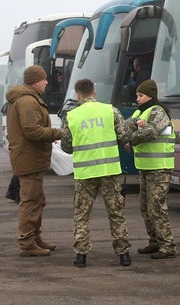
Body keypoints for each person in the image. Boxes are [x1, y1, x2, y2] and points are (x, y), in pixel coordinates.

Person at [61, 78, 132, 268]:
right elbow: (124, 136)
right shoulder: (110, 110)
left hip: (85, 173)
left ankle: (81, 256)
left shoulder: (72, 116)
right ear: (95, 92)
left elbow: (66, 146)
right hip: (109, 170)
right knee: (116, 213)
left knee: (82, 215)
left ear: (78, 95)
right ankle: (123, 254)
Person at [6, 65, 62, 257]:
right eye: (44, 79)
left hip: (30, 158)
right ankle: (27, 243)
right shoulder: (28, 101)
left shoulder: (27, 99)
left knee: (37, 200)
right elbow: (32, 130)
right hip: (28, 159)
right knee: (30, 202)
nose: (47, 82)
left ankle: (35, 238)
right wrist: (57, 133)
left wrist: (48, 134)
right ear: (36, 81)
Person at [125, 79, 177, 259]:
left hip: (159, 168)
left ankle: (167, 245)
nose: (137, 98)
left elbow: (150, 132)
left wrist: (131, 138)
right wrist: (130, 132)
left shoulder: (157, 112)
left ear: (150, 95)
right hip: (146, 167)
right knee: (145, 207)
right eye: (137, 95)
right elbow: (125, 128)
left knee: (156, 207)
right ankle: (154, 241)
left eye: (141, 95)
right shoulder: (141, 112)